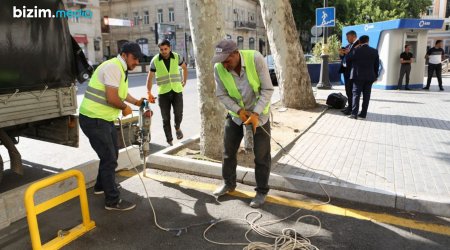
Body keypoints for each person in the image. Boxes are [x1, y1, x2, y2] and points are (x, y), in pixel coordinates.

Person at [79, 42, 145, 211]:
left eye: (138, 59)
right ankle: (112, 201)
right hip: (93, 119)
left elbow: (121, 94)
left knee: (111, 155)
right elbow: (112, 98)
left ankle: (101, 187)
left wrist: (136, 102)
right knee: (109, 158)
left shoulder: (120, 68)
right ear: (124, 55)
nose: (136, 62)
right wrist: (124, 107)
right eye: (134, 58)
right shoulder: (113, 67)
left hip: (103, 119)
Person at [211, 39, 274, 208]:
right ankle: (228, 183)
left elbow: (268, 89)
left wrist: (255, 113)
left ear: (236, 53)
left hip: (259, 116)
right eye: (221, 62)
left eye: (227, 60)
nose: (224, 65)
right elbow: (221, 95)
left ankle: (261, 191)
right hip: (236, 115)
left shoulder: (256, 59)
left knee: (261, 155)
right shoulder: (218, 68)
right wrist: (239, 111)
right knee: (228, 151)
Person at [146, 40, 188, 146]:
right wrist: (149, 92)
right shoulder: (155, 60)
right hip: (163, 93)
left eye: (166, 49)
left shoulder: (177, 57)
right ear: (159, 49)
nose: (164, 51)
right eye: (161, 49)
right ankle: (169, 140)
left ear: (170, 48)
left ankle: (177, 127)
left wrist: (184, 80)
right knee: (165, 118)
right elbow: (150, 77)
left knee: (179, 113)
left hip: (177, 90)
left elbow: (184, 68)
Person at [346, 35, 380, 120]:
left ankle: (354, 114)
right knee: (366, 96)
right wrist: (375, 76)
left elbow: (348, 59)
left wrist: (353, 49)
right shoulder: (374, 51)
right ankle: (363, 114)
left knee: (356, 95)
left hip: (357, 77)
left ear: (360, 42)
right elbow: (376, 65)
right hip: (370, 77)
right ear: (368, 41)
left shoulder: (356, 50)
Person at [338, 30, 359, 115]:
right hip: (346, 71)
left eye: (348, 37)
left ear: (354, 36)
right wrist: (341, 53)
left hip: (352, 71)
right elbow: (343, 57)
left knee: (351, 91)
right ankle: (349, 107)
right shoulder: (348, 46)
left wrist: (348, 52)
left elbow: (355, 56)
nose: (347, 39)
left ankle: (351, 109)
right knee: (347, 90)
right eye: (346, 38)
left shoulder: (358, 45)